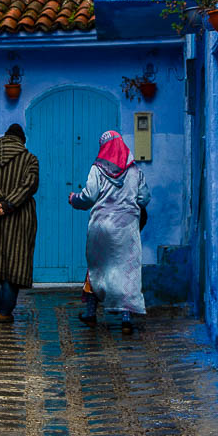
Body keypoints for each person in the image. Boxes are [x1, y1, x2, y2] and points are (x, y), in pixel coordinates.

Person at [69, 129, 150, 334]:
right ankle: (126, 318)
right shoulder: (135, 172)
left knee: (97, 269)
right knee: (127, 271)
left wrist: (74, 199)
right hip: (127, 229)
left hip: (101, 227)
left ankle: (90, 313)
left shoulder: (97, 170)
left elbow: (88, 196)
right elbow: (144, 198)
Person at [0, 123, 39, 322]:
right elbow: (29, 184)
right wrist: (8, 204)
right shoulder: (30, 159)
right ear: (22, 141)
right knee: (15, 262)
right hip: (18, 216)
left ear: (5, 136)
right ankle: (4, 312)